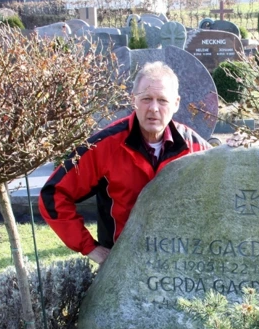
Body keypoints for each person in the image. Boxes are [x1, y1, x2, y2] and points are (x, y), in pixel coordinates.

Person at [39, 61, 209, 265]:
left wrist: (238, 151)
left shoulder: (195, 147)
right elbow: (53, 194)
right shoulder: (103, 146)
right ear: (133, 100)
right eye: (146, 99)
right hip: (122, 265)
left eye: (162, 100)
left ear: (176, 103)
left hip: (179, 263)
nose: (154, 108)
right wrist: (89, 247)